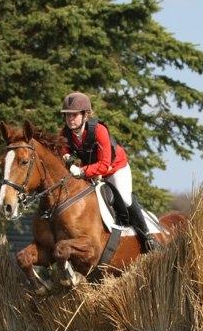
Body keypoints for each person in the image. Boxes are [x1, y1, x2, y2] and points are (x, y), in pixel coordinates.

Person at [58, 91, 160, 252]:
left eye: (74, 115)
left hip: (115, 168)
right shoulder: (65, 133)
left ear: (85, 115)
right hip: (90, 171)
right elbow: (63, 151)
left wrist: (81, 171)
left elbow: (104, 165)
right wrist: (67, 159)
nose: (70, 119)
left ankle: (148, 237)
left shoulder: (99, 130)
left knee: (125, 198)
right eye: (67, 115)